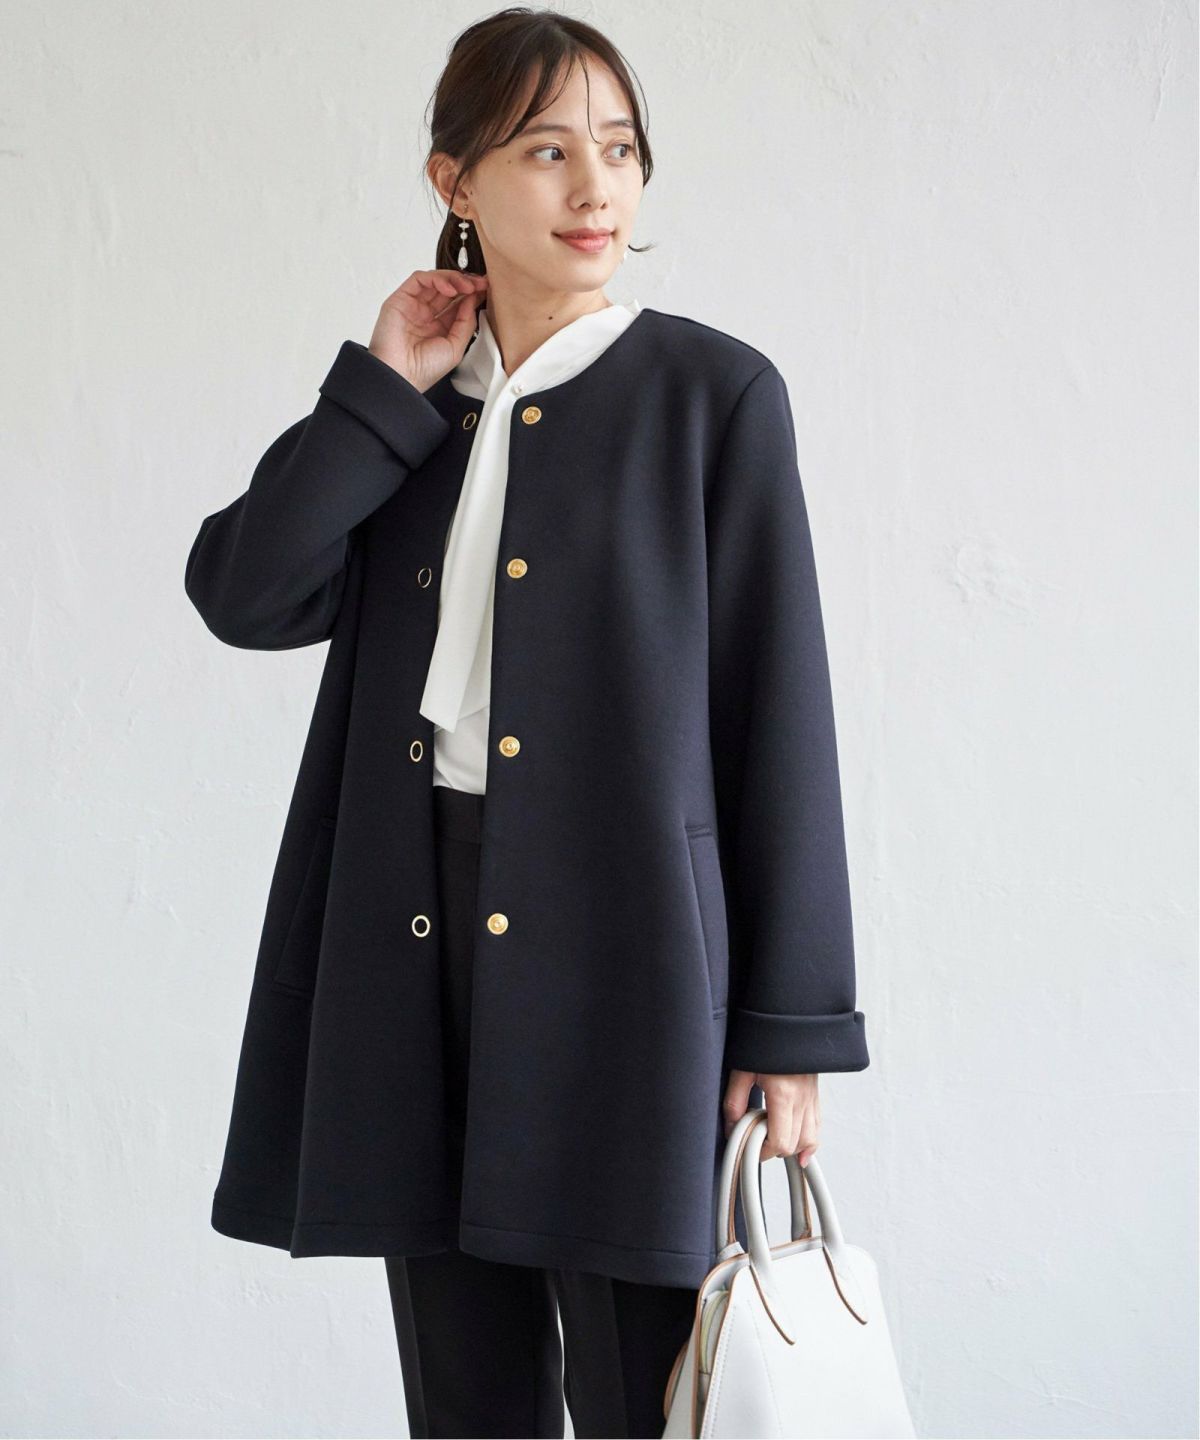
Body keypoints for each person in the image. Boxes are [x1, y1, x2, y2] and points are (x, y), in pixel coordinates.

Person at [184, 8, 869, 1437]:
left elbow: (781, 717)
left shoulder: (713, 397)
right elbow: (247, 595)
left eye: (619, 149)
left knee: (640, 1388)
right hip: (412, 937)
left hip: (633, 956)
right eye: (548, 151)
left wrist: (791, 1025)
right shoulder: (408, 414)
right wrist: (379, 392)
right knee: (465, 1400)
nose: (595, 187)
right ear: (456, 181)